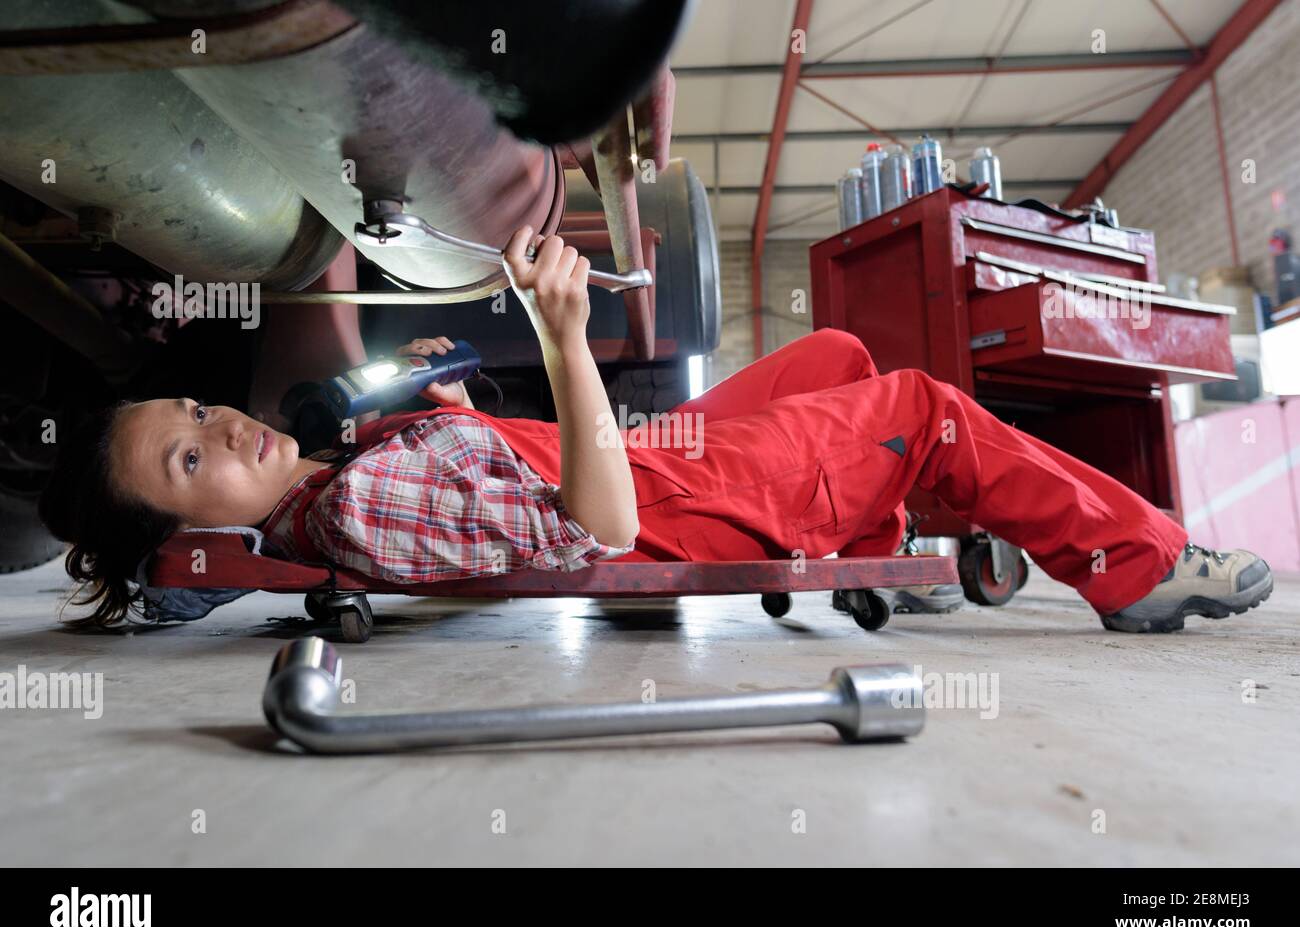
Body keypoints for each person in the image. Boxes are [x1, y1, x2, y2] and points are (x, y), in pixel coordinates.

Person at [39, 227, 1272, 634]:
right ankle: (1140, 567)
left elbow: (484, 493)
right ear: (184, 529)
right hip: (672, 505)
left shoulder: (339, 467)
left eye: (197, 412)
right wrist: (565, 338)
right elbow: (597, 531)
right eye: (188, 461)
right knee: (921, 407)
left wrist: (452, 412)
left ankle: (867, 540)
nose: (222, 430)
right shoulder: (355, 503)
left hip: (652, 457)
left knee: (836, 356)